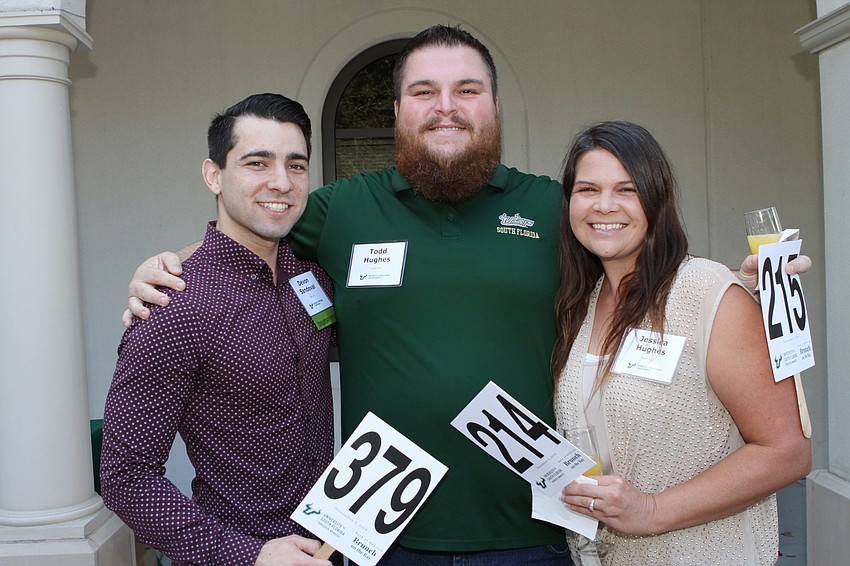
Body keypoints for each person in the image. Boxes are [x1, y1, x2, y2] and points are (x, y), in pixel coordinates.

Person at [121, 26, 810, 565]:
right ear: (397, 110)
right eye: (424, 91)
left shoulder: (553, 208)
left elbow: (638, 261)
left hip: (537, 533)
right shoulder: (342, 209)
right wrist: (171, 269)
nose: (445, 107)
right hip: (377, 536)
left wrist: (741, 287)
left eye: (467, 90)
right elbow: (257, 226)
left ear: (494, 108)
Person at [553, 121, 812, 565]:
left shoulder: (707, 292)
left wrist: (652, 511)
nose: (604, 205)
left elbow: (787, 452)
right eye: (588, 189)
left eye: (627, 190)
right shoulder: (582, 302)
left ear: (656, 199)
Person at [100, 93, 336, 566]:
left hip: (330, 545)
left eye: (295, 165)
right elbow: (125, 477)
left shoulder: (312, 279)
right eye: (257, 163)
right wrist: (251, 555)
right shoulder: (173, 305)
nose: (281, 182)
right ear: (214, 175)